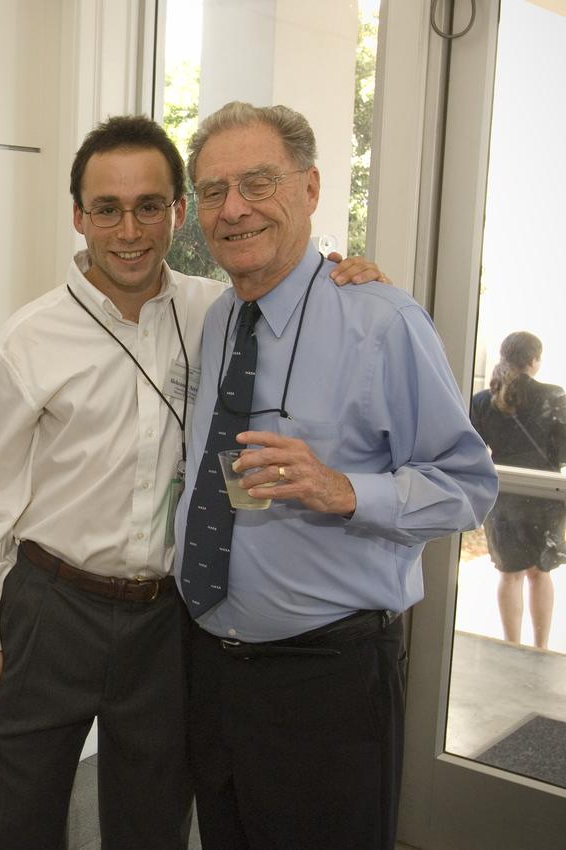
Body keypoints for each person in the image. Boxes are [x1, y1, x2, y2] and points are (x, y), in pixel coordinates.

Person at [0, 114, 385, 850]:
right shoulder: (28, 338)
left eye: (150, 205)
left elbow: (292, 294)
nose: (130, 229)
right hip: (48, 608)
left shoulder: (215, 312)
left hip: (166, 619)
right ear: (79, 217)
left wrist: (349, 278)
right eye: (108, 209)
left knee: (152, 823)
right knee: (12, 821)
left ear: (178, 212)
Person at [173, 101, 498, 850]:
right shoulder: (219, 318)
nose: (236, 209)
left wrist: (346, 490)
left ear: (311, 188)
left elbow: (470, 484)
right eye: (216, 191)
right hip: (211, 671)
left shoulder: (382, 322)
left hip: (326, 682)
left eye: (259, 182)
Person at [471, 331, 566, 648]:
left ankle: (511, 647)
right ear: (535, 360)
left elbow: (471, 448)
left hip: (504, 496)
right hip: (544, 498)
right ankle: (540, 648)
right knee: (540, 572)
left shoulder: (484, 401)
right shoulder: (554, 397)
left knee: (509, 574)